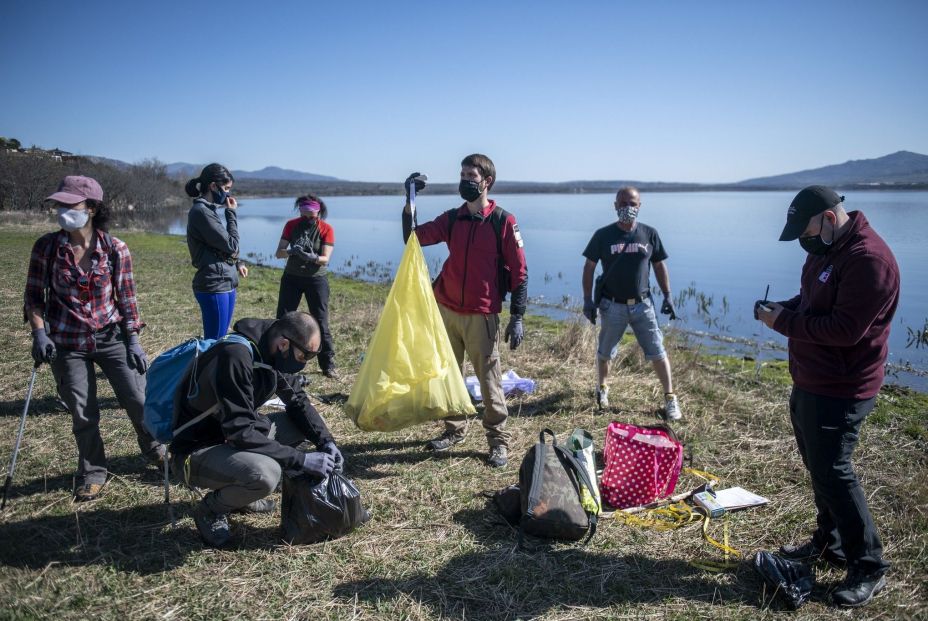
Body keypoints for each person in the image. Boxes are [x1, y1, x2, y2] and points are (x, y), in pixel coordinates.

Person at [757, 185, 899, 608]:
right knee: (819, 468)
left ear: (830, 218)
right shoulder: (825, 248)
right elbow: (812, 301)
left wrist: (783, 323)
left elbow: (843, 330)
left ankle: (869, 566)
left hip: (843, 387)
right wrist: (782, 307)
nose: (805, 239)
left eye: (807, 229)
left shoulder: (869, 261)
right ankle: (829, 543)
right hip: (810, 380)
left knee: (835, 472)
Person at [24, 175, 164, 501]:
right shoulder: (47, 247)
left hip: (111, 336)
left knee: (138, 399)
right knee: (82, 410)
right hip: (67, 343)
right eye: (58, 204)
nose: (61, 210)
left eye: (69, 204)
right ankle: (93, 472)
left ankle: (156, 451)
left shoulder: (116, 249)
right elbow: (33, 297)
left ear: (91, 207)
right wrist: (39, 333)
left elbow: (127, 300)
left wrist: (133, 341)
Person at [170, 311, 343, 548]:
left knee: (298, 426)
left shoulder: (271, 350)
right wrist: (301, 459)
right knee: (266, 474)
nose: (303, 364)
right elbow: (240, 432)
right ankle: (210, 510)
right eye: (304, 356)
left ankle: (239, 494)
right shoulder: (235, 356)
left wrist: (326, 442)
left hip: (231, 438)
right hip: (198, 449)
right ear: (284, 344)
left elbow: (298, 402)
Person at [401, 154, 528, 468]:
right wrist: (410, 200)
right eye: (462, 174)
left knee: (489, 380)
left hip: (481, 314)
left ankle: (498, 441)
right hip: (446, 310)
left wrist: (518, 315)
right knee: (450, 376)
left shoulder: (503, 221)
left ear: (487, 181)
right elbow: (412, 238)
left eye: (471, 175)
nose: (465, 180)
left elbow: (519, 271)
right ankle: (454, 429)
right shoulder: (453, 218)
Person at [581, 186, 681, 419]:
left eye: (632, 204)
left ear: (640, 206)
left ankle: (670, 399)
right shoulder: (602, 235)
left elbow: (658, 265)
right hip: (611, 305)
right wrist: (587, 300)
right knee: (605, 352)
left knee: (657, 351)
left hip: (642, 305)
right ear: (615, 206)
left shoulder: (649, 234)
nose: (627, 208)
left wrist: (667, 295)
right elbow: (589, 267)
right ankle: (602, 389)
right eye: (623, 204)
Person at [274, 195, 338, 378]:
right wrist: (291, 251)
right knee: (283, 318)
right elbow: (278, 253)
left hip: (316, 279)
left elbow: (326, 259)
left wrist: (312, 257)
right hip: (291, 278)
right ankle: (279, 358)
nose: (308, 218)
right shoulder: (291, 225)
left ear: (318, 212)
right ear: (300, 211)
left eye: (312, 215)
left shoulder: (326, 228)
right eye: (304, 214)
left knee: (321, 322)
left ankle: (327, 364)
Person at [184, 163, 249, 340]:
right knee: (214, 342)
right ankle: (206, 368)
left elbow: (221, 247)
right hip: (214, 284)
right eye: (226, 189)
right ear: (213, 186)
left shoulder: (209, 211)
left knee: (223, 338)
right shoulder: (201, 212)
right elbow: (231, 244)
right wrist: (231, 213)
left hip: (226, 281)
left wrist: (238, 263)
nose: (228, 194)